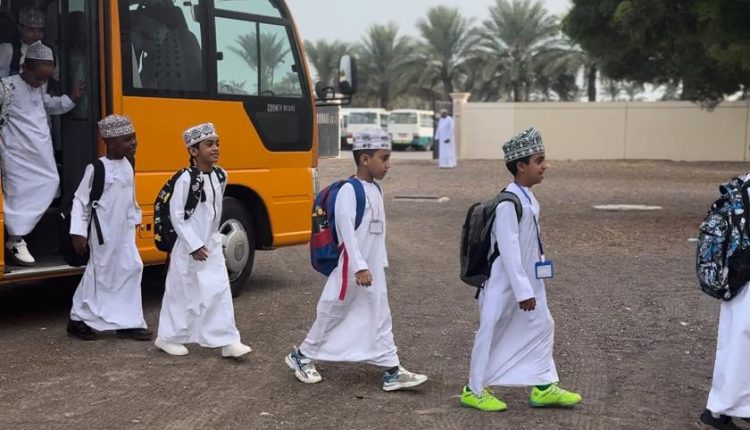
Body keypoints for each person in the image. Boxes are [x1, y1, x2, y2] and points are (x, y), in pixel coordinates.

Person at [285, 128, 428, 392]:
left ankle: (392, 369)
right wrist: (360, 266)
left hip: (371, 270)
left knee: (380, 314)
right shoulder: (349, 191)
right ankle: (301, 355)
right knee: (333, 311)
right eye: (384, 158)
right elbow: (347, 234)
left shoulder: (376, 189)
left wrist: (378, 263)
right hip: (352, 270)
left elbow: (377, 232)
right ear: (365, 159)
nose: (388, 165)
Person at [460, 127, 582, 412]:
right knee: (491, 330)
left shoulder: (527, 198)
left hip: (527, 283)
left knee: (542, 325)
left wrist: (532, 285)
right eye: (539, 160)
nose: (545, 166)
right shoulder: (508, 203)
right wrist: (523, 291)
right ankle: (473, 390)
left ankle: (543, 385)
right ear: (521, 166)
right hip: (504, 286)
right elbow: (509, 252)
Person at [154, 122, 251, 359]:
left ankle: (228, 340)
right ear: (193, 151)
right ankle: (168, 337)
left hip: (212, 244)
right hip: (188, 247)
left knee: (219, 290)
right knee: (182, 292)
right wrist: (193, 244)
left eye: (217, 143)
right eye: (209, 144)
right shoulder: (185, 179)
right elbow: (177, 215)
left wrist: (209, 241)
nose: (215, 148)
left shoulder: (220, 175)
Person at [67, 114, 151, 342]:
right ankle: (77, 319)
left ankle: (128, 323)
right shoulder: (97, 168)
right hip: (103, 232)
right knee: (101, 275)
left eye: (134, 137)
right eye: (127, 139)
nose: (133, 142)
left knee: (132, 268)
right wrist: (78, 233)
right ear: (110, 142)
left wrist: (135, 219)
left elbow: (130, 196)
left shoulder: (129, 163)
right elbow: (80, 200)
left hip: (124, 231)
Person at [0, 41, 84, 266]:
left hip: (40, 153)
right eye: (38, 77)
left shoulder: (38, 89)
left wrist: (72, 99)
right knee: (18, 193)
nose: (40, 83)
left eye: (44, 79)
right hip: (16, 154)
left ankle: (23, 232)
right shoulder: (6, 87)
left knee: (50, 182)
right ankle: (15, 238)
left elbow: (51, 105)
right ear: (24, 68)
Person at [698, 171, 750, 430]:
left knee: (736, 340)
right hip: (743, 277)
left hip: (737, 275)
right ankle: (720, 412)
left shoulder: (742, 185)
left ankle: (726, 409)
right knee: (740, 341)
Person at [0, 8, 56, 79]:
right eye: (31, 29)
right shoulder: (8, 49)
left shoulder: (49, 52)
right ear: (20, 28)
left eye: (41, 30)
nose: (36, 34)